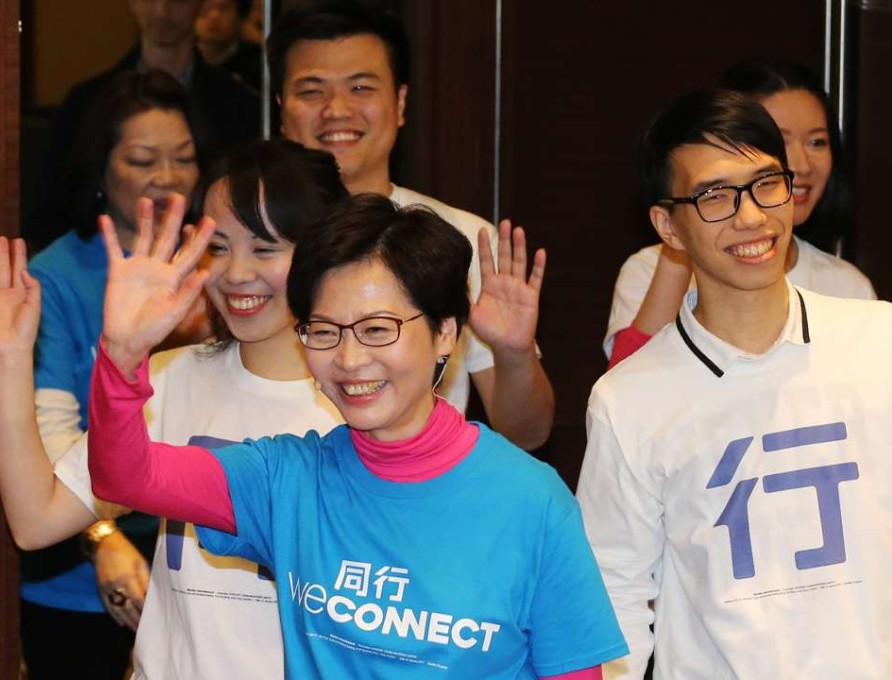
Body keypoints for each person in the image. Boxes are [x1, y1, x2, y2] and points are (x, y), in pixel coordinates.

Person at [81, 193, 628, 677]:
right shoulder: (286, 478)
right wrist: (123, 356)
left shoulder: (532, 501)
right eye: (323, 331)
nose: (347, 359)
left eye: (376, 329)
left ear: (444, 333)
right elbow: (128, 477)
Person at [576, 89, 892, 678]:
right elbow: (613, 604)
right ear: (668, 225)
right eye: (715, 196)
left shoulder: (885, 338)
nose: (752, 216)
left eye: (766, 183)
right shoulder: (628, 400)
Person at [0, 139, 348, 678]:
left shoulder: (359, 402)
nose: (235, 274)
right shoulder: (172, 377)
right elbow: (35, 519)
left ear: (324, 250)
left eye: (264, 248)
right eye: (218, 247)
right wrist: (11, 357)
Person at [267, 0, 555, 450]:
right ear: (281, 109)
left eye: (361, 87)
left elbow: (527, 433)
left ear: (400, 103)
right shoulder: (251, 245)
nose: (337, 109)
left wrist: (513, 353)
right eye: (312, 91)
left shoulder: (459, 239)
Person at [19, 69, 203, 680]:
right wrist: (102, 536)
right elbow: (49, 433)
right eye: (144, 159)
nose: (168, 177)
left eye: (183, 157)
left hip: (201, 562)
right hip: (83, 566)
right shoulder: (60, 277)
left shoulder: (216, 261)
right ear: (101, 170)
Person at [604, 61, 874, 368]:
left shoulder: (848, 287)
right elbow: (632, 390)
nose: (800, 164)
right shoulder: (646, 269)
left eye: (816, 142)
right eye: (779, 139)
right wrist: (682, 236)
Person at [30, 0, 259, 250]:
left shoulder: (241, 104)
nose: (162, 10)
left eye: (184, 159)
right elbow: (52, 209)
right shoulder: (86, 100)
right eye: (143, 161)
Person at [196, 0, 263, 91]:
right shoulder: (184, 60)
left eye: (223, 9)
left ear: (241, 17)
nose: (214, 16)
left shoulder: (257, 63)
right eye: (207, 8)